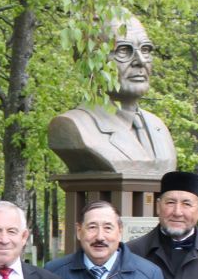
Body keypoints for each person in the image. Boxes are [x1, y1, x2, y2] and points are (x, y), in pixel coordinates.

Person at [47, 14, 178, 176]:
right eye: (123, 50)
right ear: (89, 62)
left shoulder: (158, 127)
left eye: (145, 49)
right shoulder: (73, 126)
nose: (141, 61)